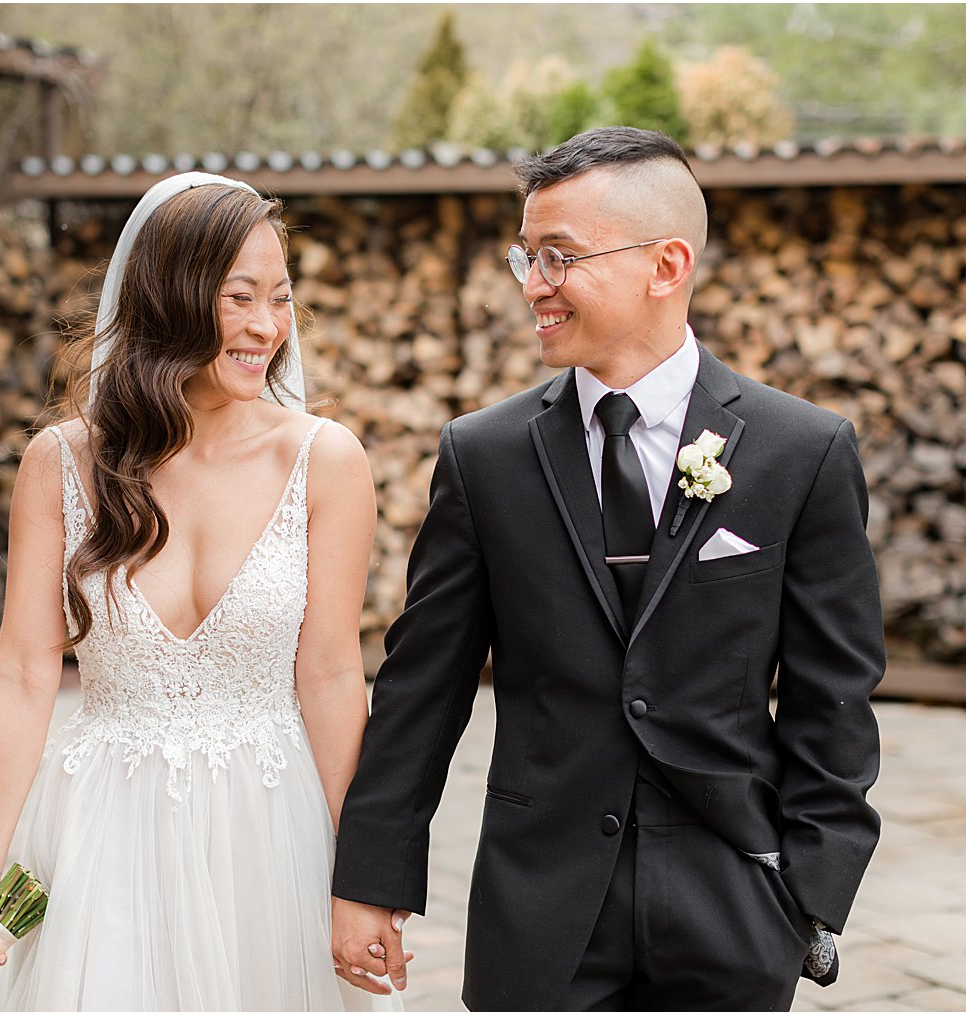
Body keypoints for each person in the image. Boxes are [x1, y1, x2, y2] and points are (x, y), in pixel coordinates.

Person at [330, 127, 884, 1010]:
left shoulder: (801, 452)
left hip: (731, 908)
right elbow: (422, 686)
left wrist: (810, 893)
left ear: (667, 265)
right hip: (538, 909)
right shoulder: (485, 456)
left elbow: (836, 696)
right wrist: (368, 876)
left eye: (560, 256)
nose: (534, 286)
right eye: (526, 256)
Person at [0, 172, 400, 1011]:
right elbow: (23, 672)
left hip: (271, 829)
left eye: (282, 298)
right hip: (102, 823)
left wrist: (360, 873)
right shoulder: (62, 463)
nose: (268, 327)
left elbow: (330, 675)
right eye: (240, 297)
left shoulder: (326, 460)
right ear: (171, 300)